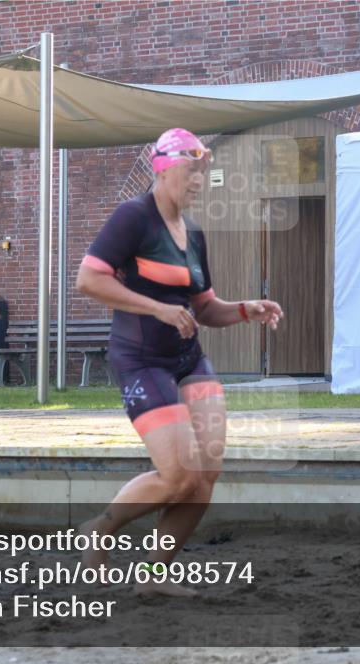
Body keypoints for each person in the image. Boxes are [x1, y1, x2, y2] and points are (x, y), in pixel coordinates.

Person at [74, 128, 284, 597]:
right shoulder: (132, 218)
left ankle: (153, 577)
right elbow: (88, 280)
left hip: (189, 360)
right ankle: (100, 530)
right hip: (141, 360)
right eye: (193, 172)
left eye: (203, 173)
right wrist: (156, 308)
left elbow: (204, 308)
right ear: (165, 169)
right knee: (178, 474)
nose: (199, 182)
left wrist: (246, 309)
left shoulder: (194, 236)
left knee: (205, 474)